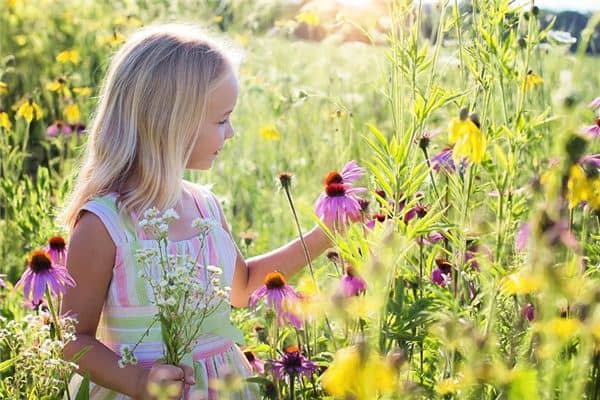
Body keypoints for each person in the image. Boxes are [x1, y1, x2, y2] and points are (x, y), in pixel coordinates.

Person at [60, 23, 334, 400]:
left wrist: (325, 234)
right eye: (222, 120)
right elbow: (72, 340)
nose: (232, 132)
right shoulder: (104, 224)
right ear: (171, 124)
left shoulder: (205, 206)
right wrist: (137, 382)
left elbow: (242, 288)